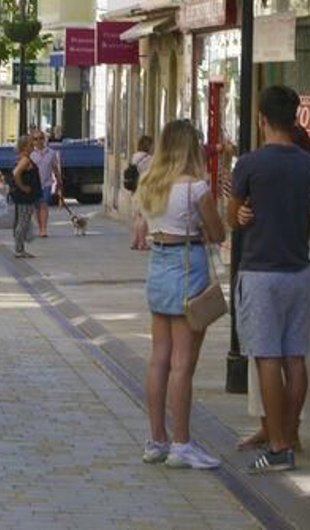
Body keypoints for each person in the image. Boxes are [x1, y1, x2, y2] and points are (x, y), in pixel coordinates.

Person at [224, 85, 310, 473]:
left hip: (261, 271)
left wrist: (242, 214)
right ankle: (290, 434)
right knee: (295, 358)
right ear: (296, 118)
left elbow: (232, 218)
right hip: (300, 270)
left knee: (266, 357)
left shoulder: (249, 164)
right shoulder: (309, 166)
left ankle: (279, 445)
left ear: (262, 119)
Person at [131, 120, 228, 469]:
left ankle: (156, 439)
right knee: (183, 365)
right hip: (189, 267)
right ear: (191, 147)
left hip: (158, 265)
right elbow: (218, 232)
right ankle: (182, 444)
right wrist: (205, 225)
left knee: (159, 358)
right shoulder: (195, 188)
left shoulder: (150, 183)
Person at [237, 125, 310, 452]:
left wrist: (291, 216)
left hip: (298, 263)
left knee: (297, 352)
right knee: (262, 353)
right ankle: (268, 426)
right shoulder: (261, 174)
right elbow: (235, 213)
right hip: (267, 264)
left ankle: (289, 431)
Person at [8, 137, 41, 258]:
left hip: (24, 195)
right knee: (23, 221)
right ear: (24, 146)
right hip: (25, 196)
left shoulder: (23, 158)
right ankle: (19, 249)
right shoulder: (25, 160)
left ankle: (20, 248)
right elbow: (16, 173)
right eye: (30, 144)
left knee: (21, 220)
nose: (33, 146)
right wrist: (22, 187)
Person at [29, 129, 64, 238]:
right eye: (35, 139)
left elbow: (55, 168)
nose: (38, 141)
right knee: (36, 207)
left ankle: (44, 229)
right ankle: (40, 227)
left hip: (46, 183)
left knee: (44, 205)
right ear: (32, 141)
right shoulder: (30, 153)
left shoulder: (51, 153)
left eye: (40, 138)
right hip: (33, 184)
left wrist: (59, 181)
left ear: (44, 139)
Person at [128, 134, 155, 251]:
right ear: (148, 145)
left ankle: (135, 241)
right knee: (144, 217)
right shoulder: (149, 159)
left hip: (134, 189)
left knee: (137, 217)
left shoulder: (135, 156)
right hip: (144, 189)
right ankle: (142, 243)